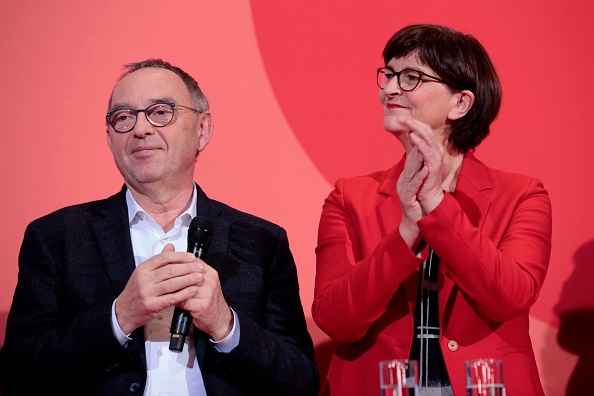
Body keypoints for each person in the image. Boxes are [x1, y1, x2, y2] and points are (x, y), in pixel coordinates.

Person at [0, 59, 319, 396]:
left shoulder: (261, 241)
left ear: (202, 129)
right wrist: (119, 317)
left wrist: (225, 325)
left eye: (160, 112)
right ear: (109, 138)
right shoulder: (57, 237)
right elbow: (17, 374)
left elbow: (302, 382)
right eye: (124, 118)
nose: (141, 129)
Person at [312, 24, 551, 396]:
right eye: (388, 75)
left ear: (461, 103)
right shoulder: (350, 197)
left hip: (486, 385)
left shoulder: (521, 194)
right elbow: (337, 320)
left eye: (411, 78)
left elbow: (508, 296)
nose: (389, 89)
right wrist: (408, 228)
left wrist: (436, 206)